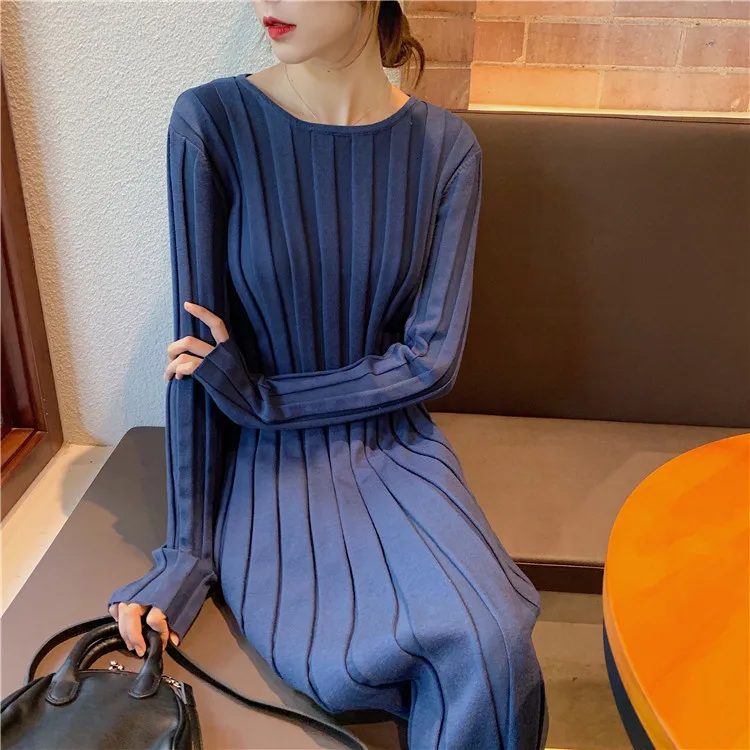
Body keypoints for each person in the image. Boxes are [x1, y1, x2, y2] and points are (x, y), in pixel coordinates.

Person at [107, 1, 546, 747]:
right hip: (270, 470)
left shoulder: (448, 150)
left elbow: (431, 359)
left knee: (494, 642)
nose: (265, 2)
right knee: (353, 655)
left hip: (393, 448)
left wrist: (268, 398)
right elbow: (197, 359)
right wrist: (186, 555)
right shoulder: (211, 124)